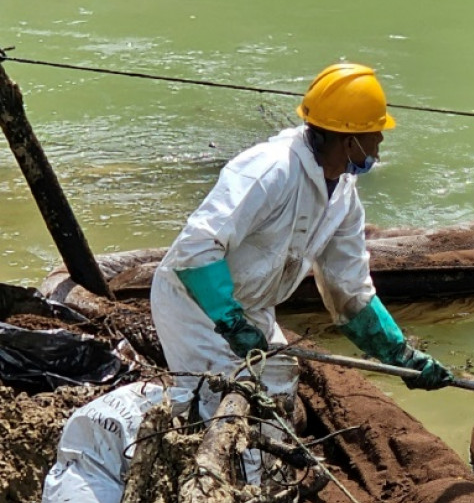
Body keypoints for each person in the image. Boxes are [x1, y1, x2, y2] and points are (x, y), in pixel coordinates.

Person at [150, 62, 454, 431]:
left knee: (277, 393)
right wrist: (230, 322)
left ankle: (265, 471)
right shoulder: (269, 171)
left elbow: (349, 288)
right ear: (349, 140)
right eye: (376, 133)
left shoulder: (342, 195)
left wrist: (400, 355)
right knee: (221, 413)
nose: (381, 143)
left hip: (252, 310)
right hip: (197, 309)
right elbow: (196, 247)